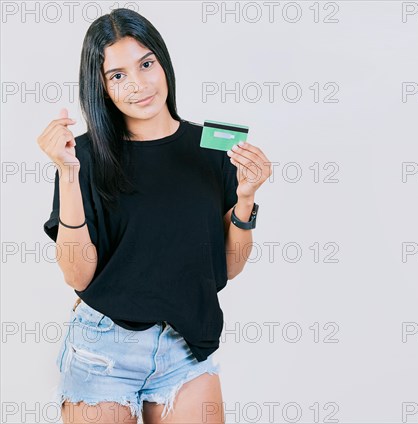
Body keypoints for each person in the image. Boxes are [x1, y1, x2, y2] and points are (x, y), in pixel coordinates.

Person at [37, 8, 271, 424]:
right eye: (118, 75)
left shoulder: (216, 147)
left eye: (146, 64)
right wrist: (68, 173)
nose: (138, 84)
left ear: (163, 62)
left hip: (187, 347)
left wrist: (246, 200)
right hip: (102, 350)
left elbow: (227, 269)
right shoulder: (83, 156)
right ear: (102, 87)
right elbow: (78, 277)